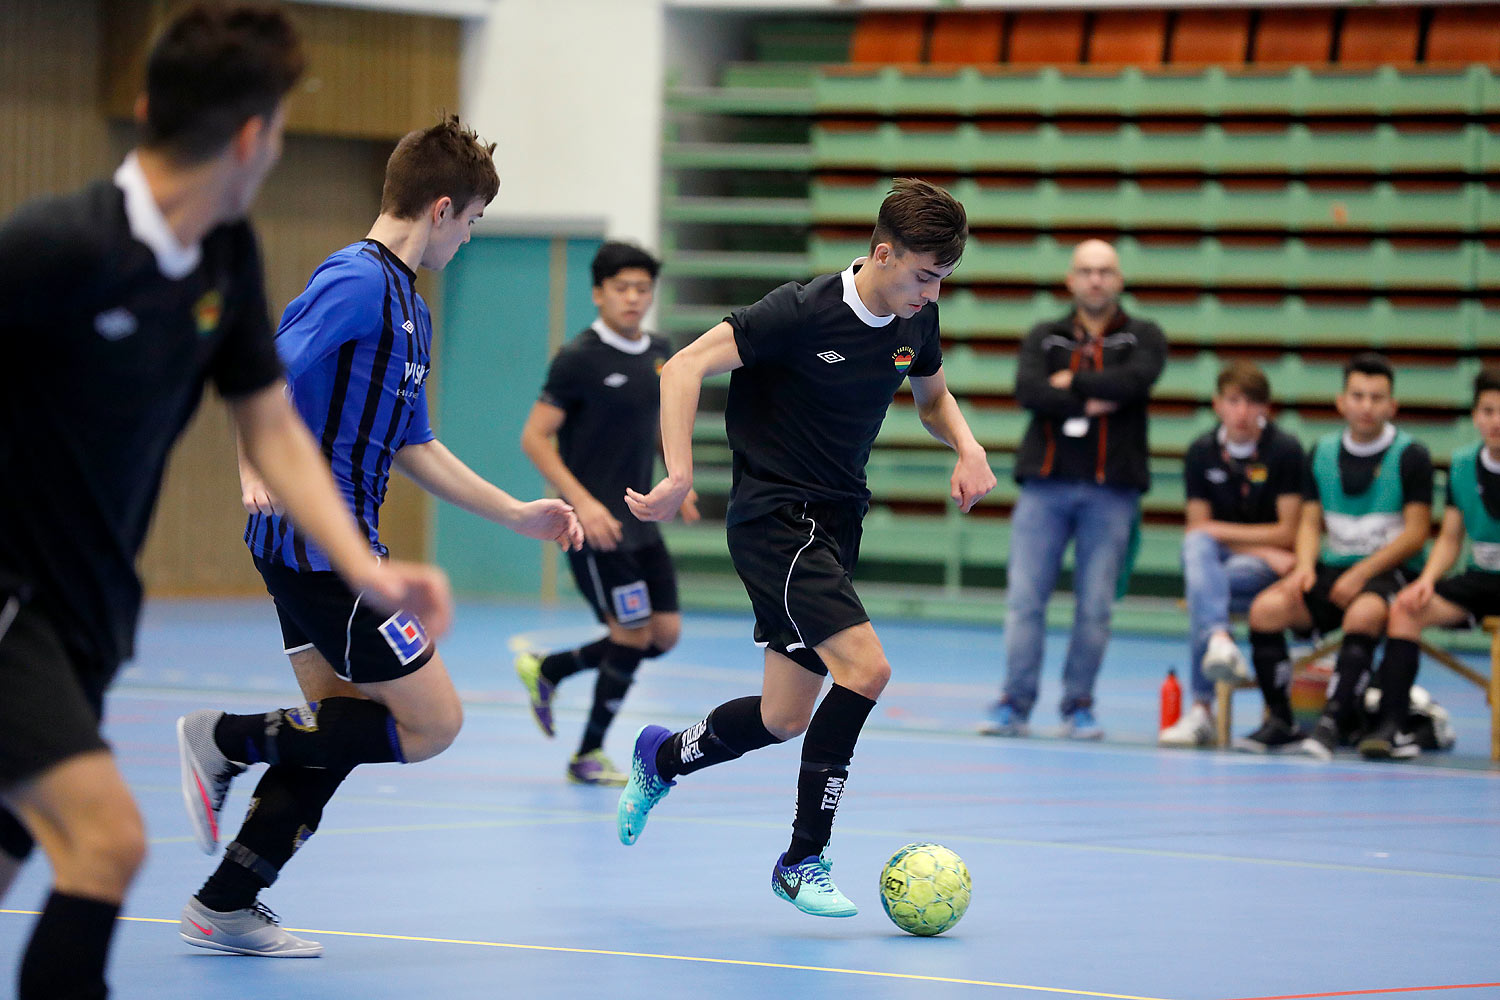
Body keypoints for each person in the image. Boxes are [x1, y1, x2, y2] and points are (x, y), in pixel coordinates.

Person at [0, 8, 455, 998]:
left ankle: (231, 852)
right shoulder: (50, 250)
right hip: (15, 604)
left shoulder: (223, 259)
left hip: (91, 613)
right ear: (255, 136)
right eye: (285, 125)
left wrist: (373, 568)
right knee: (106, 842)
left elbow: (277, 424)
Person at [175, 115, 583, 958]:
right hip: (322, 554)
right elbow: (260, 371)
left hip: (331, 551)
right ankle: (224, 738)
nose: (468, 239)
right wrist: (256, 457)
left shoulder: (411, 311)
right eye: (471, 223)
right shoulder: (357, 282)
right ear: (441, 209)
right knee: (433, 724)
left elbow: (415, 445)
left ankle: (228, 901)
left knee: (339, 727)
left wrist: (515, 512)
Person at [618, 179, 995, 917]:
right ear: (882, 254)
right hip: (775, 519)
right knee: (867, 669)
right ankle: (803, 858)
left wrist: (968, 444)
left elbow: (932, 396)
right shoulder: (799, 312)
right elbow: (683, 366)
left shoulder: (918, 317)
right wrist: (679, 472)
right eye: (924, 275)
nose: (931, 291)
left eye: (943, 279)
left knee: (784, 715)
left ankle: (660, 757)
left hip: (837, 519)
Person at [516, 242, 697, 785]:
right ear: (599, 293)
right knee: (632, 633)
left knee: (663, 634)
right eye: (622, 287)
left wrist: (675, 479)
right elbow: (534, 438)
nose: (634, 298)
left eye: (643, 288)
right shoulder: (578, 359)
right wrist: (583, 503)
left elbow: (658, 425)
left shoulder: (661, 352)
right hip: (597, 529)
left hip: (642, 519)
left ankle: (552, 668)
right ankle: (588, 754)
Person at [982, 239, 1166, 740]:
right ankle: (1014, 702)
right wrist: (1094, 397)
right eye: (1086, 271)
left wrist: (1073, 385)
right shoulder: (1045, 336)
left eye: (1105, 271)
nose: (1095, 280)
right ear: (1071, 279)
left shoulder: (1143, 336)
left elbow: (1137, 382)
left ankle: (1077, 704)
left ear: (1119, 279)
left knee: (1095, 607)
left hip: (1112, 494)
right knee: (1025, 600)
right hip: (1045, 488)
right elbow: (1030, 391)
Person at [1239, 353, 1432, 759]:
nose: (1366, 406)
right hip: (1335, 568)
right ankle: (1281, 719)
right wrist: (1305, 568)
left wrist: (1361, 573)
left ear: (1392, 406)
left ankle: (1332, 723)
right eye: (1358, 396)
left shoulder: (1411, 455)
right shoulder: (1322, 451)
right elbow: (1309, 522)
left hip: (1389, 571)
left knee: (1363, 614)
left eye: (1377, 398)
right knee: (1267, 609)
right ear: (1340, 402)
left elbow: (1416, 533)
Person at [1358, 366, 1500, 759]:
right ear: (1475, 415)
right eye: (1488, 411)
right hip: (1481, 579)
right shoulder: (1462, 464)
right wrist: (1428, 579)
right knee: (1404, 608)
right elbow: (1451, 537)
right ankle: (1392, 725)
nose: (1496, 421)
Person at [1162, 361, 1303, 747]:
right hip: (1225, 563)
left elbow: (1289, 532)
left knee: (1202, 586)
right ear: (1217, 404)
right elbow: (1196, 530)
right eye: (1234, 401)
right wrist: (1262, 545)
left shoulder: (1285, 450)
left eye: (1252, 403)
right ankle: (1219, 638)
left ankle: (1201, 710)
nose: (1242, 412)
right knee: (1198, 557)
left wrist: (1228, 537)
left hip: (1265, 572)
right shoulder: (1200, 452)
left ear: (1266, 408)